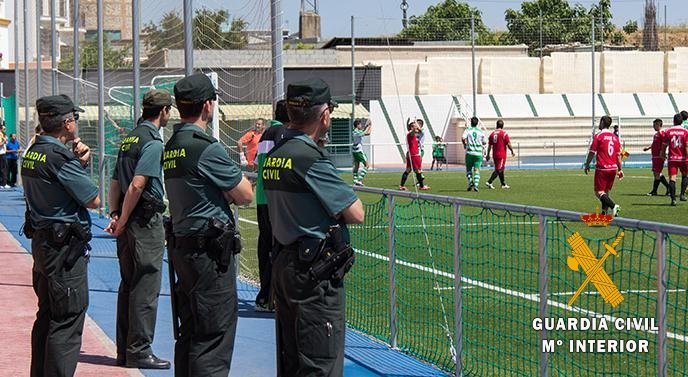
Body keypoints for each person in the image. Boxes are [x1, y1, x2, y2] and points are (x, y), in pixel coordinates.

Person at [263, 78, 364, 376]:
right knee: (320, 363)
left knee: (292, 360)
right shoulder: (309, 157)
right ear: (324, 115)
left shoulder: (276, 154)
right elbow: (356, 212)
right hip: (313, 275)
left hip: (286, 263)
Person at [163, 73, 253, 376]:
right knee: (212, 338)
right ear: (207, 105)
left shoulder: (173, 143)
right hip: (208, 255)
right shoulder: (205, 147)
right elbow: (244, 194)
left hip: (184, 248)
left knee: (190, 333)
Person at [22, 94, 100, 376]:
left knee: (47, 316)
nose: (76, 124)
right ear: (67, 123)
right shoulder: (59, 157)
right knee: (67, 320)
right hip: (64, 249)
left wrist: (76, 162)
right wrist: (81, 162)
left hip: (43, 242)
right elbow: (93, 199)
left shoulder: (33, 152)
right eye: (74, 119)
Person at [104, 90, 173, 369]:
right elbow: (137, 184)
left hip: (128, 217)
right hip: (144, 220)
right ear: (164, 111)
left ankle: (125, 349)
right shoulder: (153, 142)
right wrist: (123, 219)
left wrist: (115, 214)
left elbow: (114, 183)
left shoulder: (129, 138)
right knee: (145, 285)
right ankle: (140, 350)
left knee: (129, 284)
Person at [253, 99, 289, 312]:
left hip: (262, 198)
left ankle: (265, 296)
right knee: (280, 248)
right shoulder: (283, 133)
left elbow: (258, 163)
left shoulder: (267, 133)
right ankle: (274, 297)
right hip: (277, 200)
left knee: (265, 246)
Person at [584, 115, 623, 216]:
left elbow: (592, 152)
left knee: (598, 192)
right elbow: (618, 155)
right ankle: (604, 213)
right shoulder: (615, 138)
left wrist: (587, 164)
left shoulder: (599, 136)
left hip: (602, 168)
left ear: (601, 123)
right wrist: (620, 169)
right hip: (613, 168)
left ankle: (614, 206)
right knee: (605, 192)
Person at [661, 113, 688, 206]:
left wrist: (662, 154)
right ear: (682, 121)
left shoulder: (668, 131)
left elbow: (664, 145)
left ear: (673, 121)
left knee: (672, 178)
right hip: (684, 159)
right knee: (685, 175)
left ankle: (673, 200)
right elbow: (687, 146)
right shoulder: (685, 131)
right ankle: (682, 194)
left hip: (672, 158)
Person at [643, 118, 670, 196]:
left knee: (657, 174)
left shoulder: (662, 133)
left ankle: (655, 191)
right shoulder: (656, 134)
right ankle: (668, 188)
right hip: (655, 156)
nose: (653, 126)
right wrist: (648, 148)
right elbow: (654, 144)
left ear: (658, 125)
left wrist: (663, 153)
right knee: (657, 174)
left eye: (654, 125)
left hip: (658, 156)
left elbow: (665, 143)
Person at [400, 118, 430, 190]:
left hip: (412, 154)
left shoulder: (412, 134)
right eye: (414, 126)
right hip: (414, 155)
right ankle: (422, 186)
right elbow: (413, 131)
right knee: (418, 171)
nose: (416, 127)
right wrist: (414, 124)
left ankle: (402, 186)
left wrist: (413, 124)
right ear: (411, 128)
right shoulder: (411, 134)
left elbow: (417, 131)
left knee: (408, 170)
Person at [485, 119, 515, 189]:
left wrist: (488, 154)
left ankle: (503, 184)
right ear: (502, 126)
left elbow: (489, 145)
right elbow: (508, 144)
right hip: (501, 154)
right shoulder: (504, 134)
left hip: (495, 154)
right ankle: (489, 181)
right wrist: (512, 151)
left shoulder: (492, 134)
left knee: (500, 169)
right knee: (500, 169)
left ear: (496, 125)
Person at [462, 117, 487, 192]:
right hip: (478, 153)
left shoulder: (468, 130)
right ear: (477, 123)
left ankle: (470, 183)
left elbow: (463, 138)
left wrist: (464, 144)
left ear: (471, 123)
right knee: (477, 170)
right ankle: (476, 185)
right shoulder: (481, 131)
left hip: (469, 152)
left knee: (469, 169)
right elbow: (484, 142)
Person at [352, 118, 372, 186]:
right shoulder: (357, 132)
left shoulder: (355, 131)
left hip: (354, 151)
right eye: (360, 124)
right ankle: (360, 180)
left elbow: (363, 130)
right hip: (358, 150)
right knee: (367, 165)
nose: (361, 125)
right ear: (357, 125)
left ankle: (355, 180)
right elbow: (368, 133)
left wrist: (366, 126)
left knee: (356, 166)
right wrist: (370, 126)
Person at [0, 124, 7, 188]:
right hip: (1, 154)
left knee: (3, 168)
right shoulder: (0, 134)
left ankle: (3, 183)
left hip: (3, 153)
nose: (5, 130)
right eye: (4, 129)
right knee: (3, 169)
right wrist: (4, 141)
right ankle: (3, 184)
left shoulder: (3, 135)